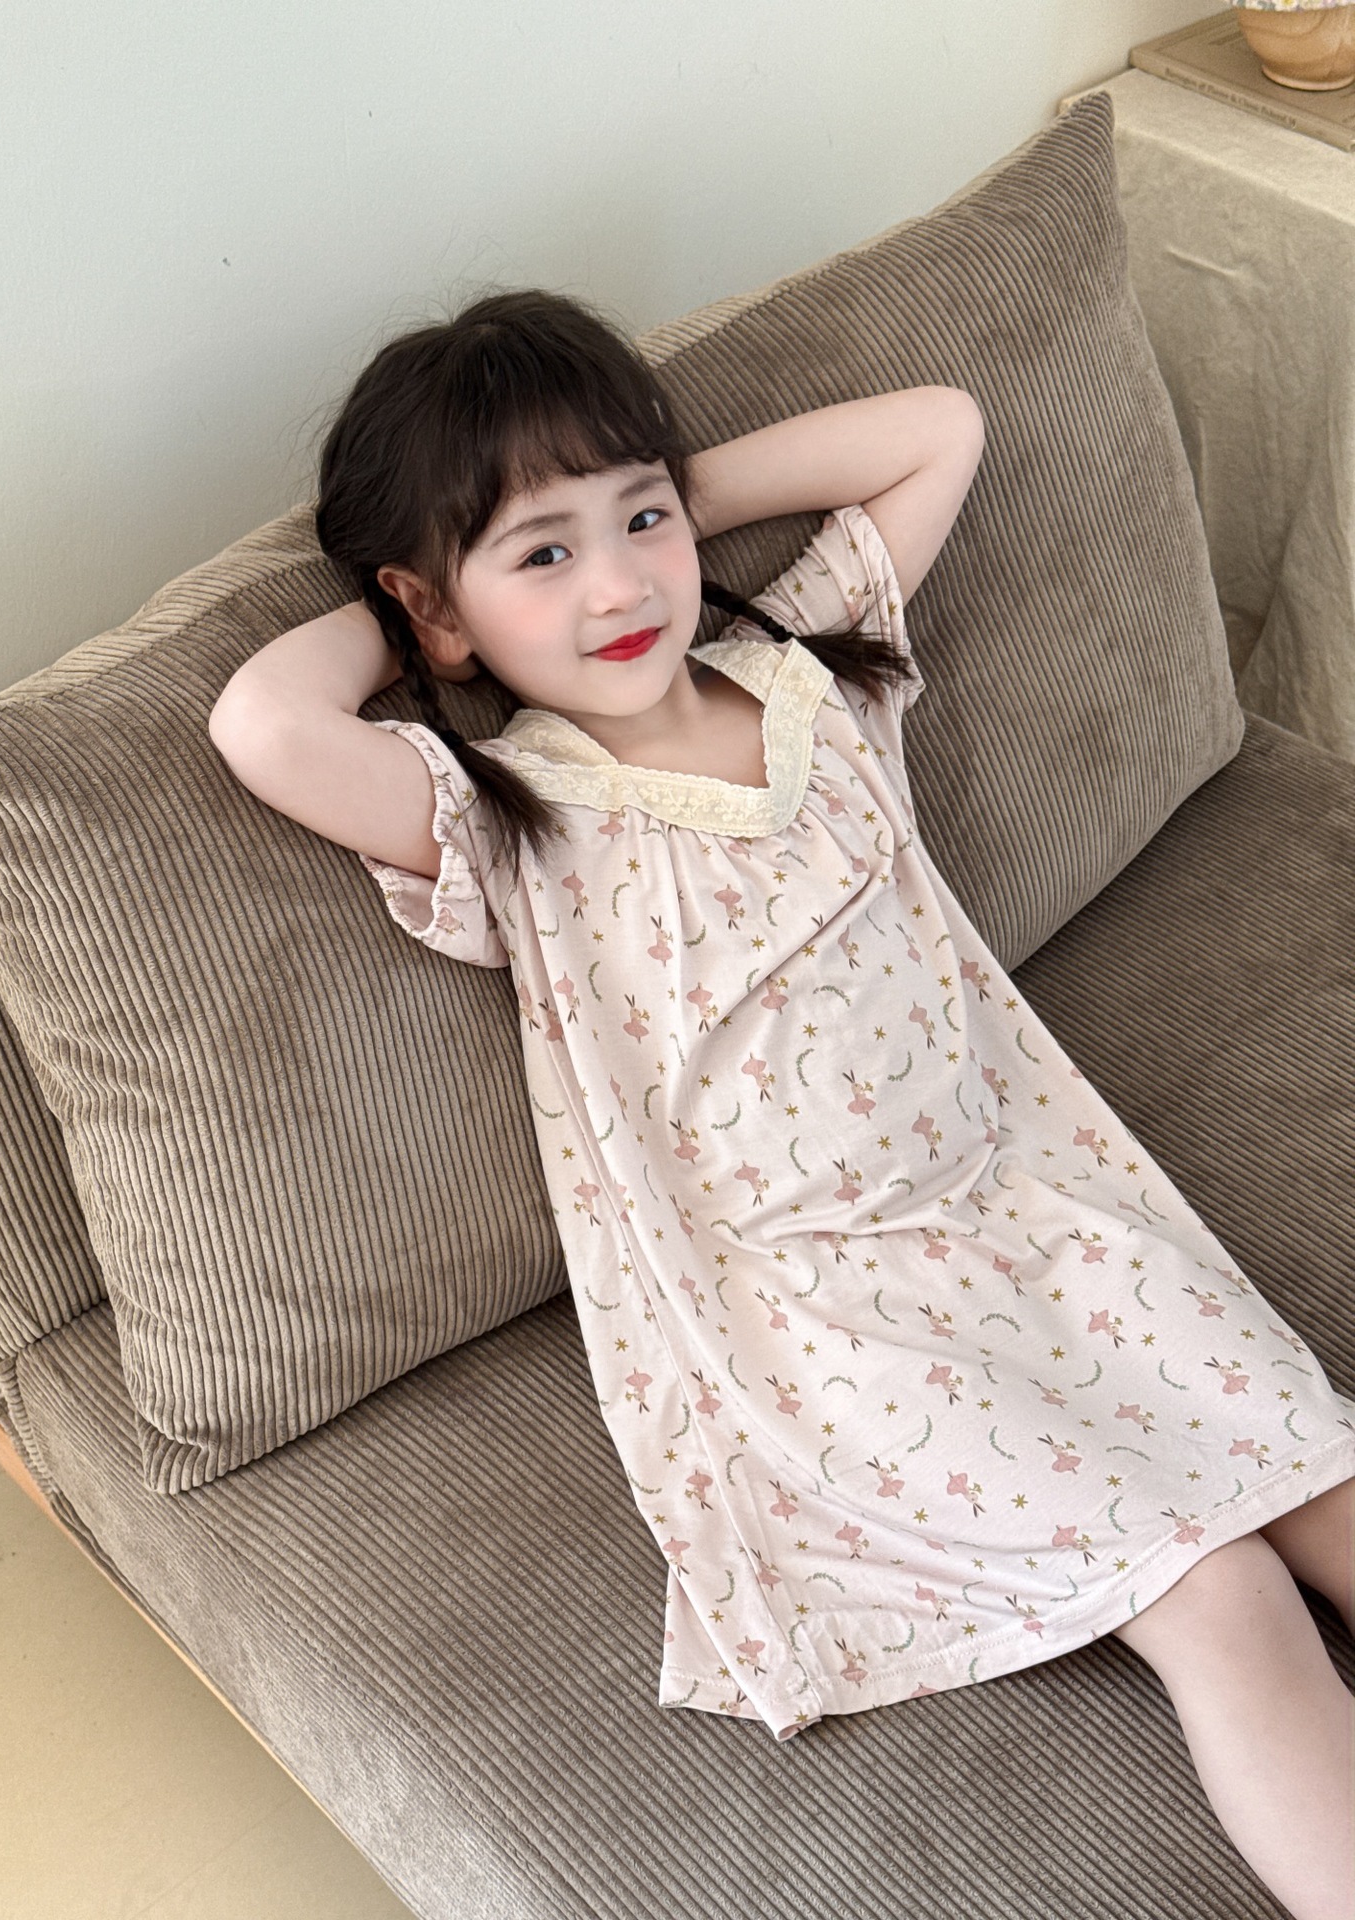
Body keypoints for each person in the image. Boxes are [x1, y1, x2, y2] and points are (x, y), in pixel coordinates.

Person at [210, 288, 1355, 1920]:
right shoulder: (513, 814)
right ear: (436, 608)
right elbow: (262, 722)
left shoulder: (816, 670)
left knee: (1318, 1478)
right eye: (543, 554)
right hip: (832, 1321)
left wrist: (661, 497)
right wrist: (426, 619)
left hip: (1031, 1207)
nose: (618, 584)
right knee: (1215, 1587)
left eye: (642, 522)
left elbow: (938, 429)